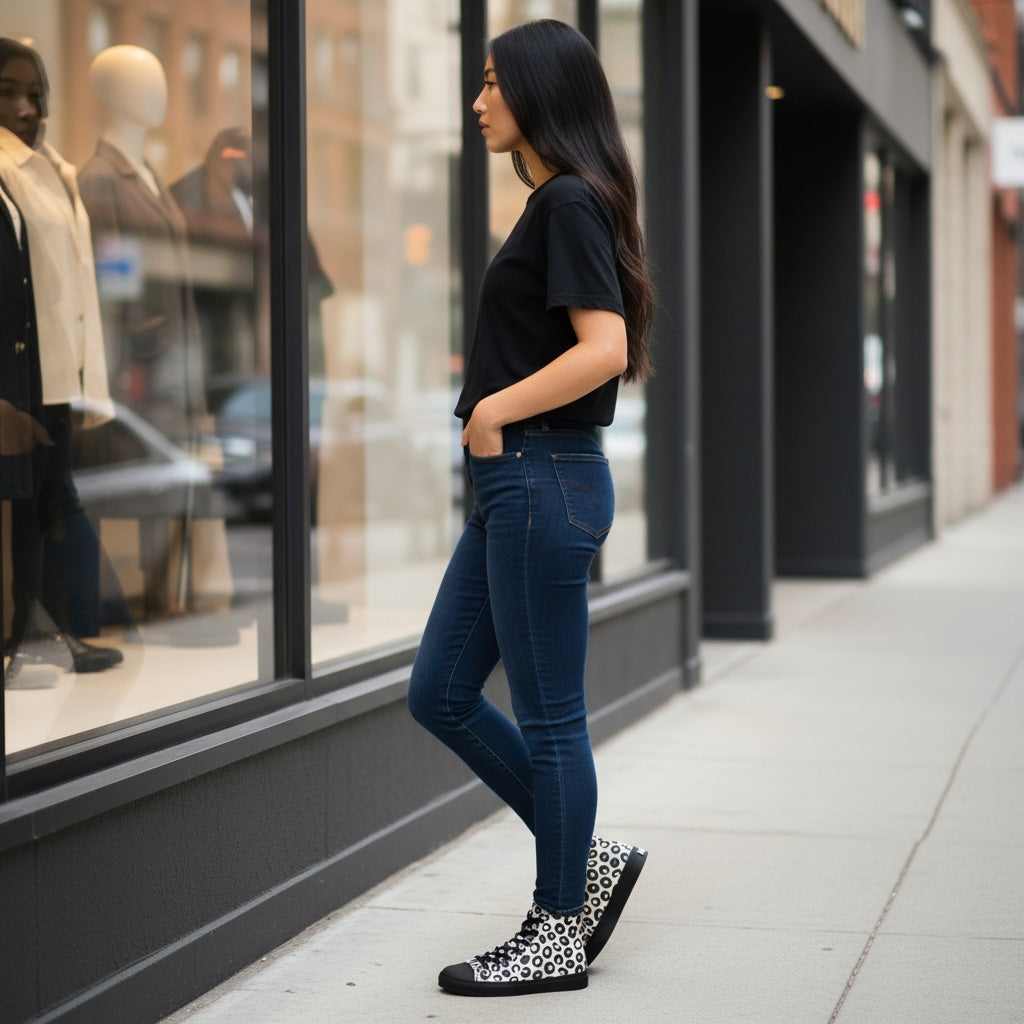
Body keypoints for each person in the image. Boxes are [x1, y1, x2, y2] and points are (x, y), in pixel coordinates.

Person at [407, 20, 654, 996]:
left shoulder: (566, 204)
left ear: (538, 92)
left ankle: (557, 929)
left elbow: (604, 347)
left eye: (490, 82)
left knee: (551, 721)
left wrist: (494, 410)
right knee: (439, 690)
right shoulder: (560, 204)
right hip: (523, 480)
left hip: (540, 474)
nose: (477, 101)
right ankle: (583, 862)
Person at [0, 38, 124, 682]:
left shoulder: (56, 170)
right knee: (34, 508)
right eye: (9, 92)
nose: (26, 107)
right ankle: (41, 633)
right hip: (21, 376)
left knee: (48, 504)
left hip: (57, 371)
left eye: (36, 94)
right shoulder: (6, 169)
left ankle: (51, 633)